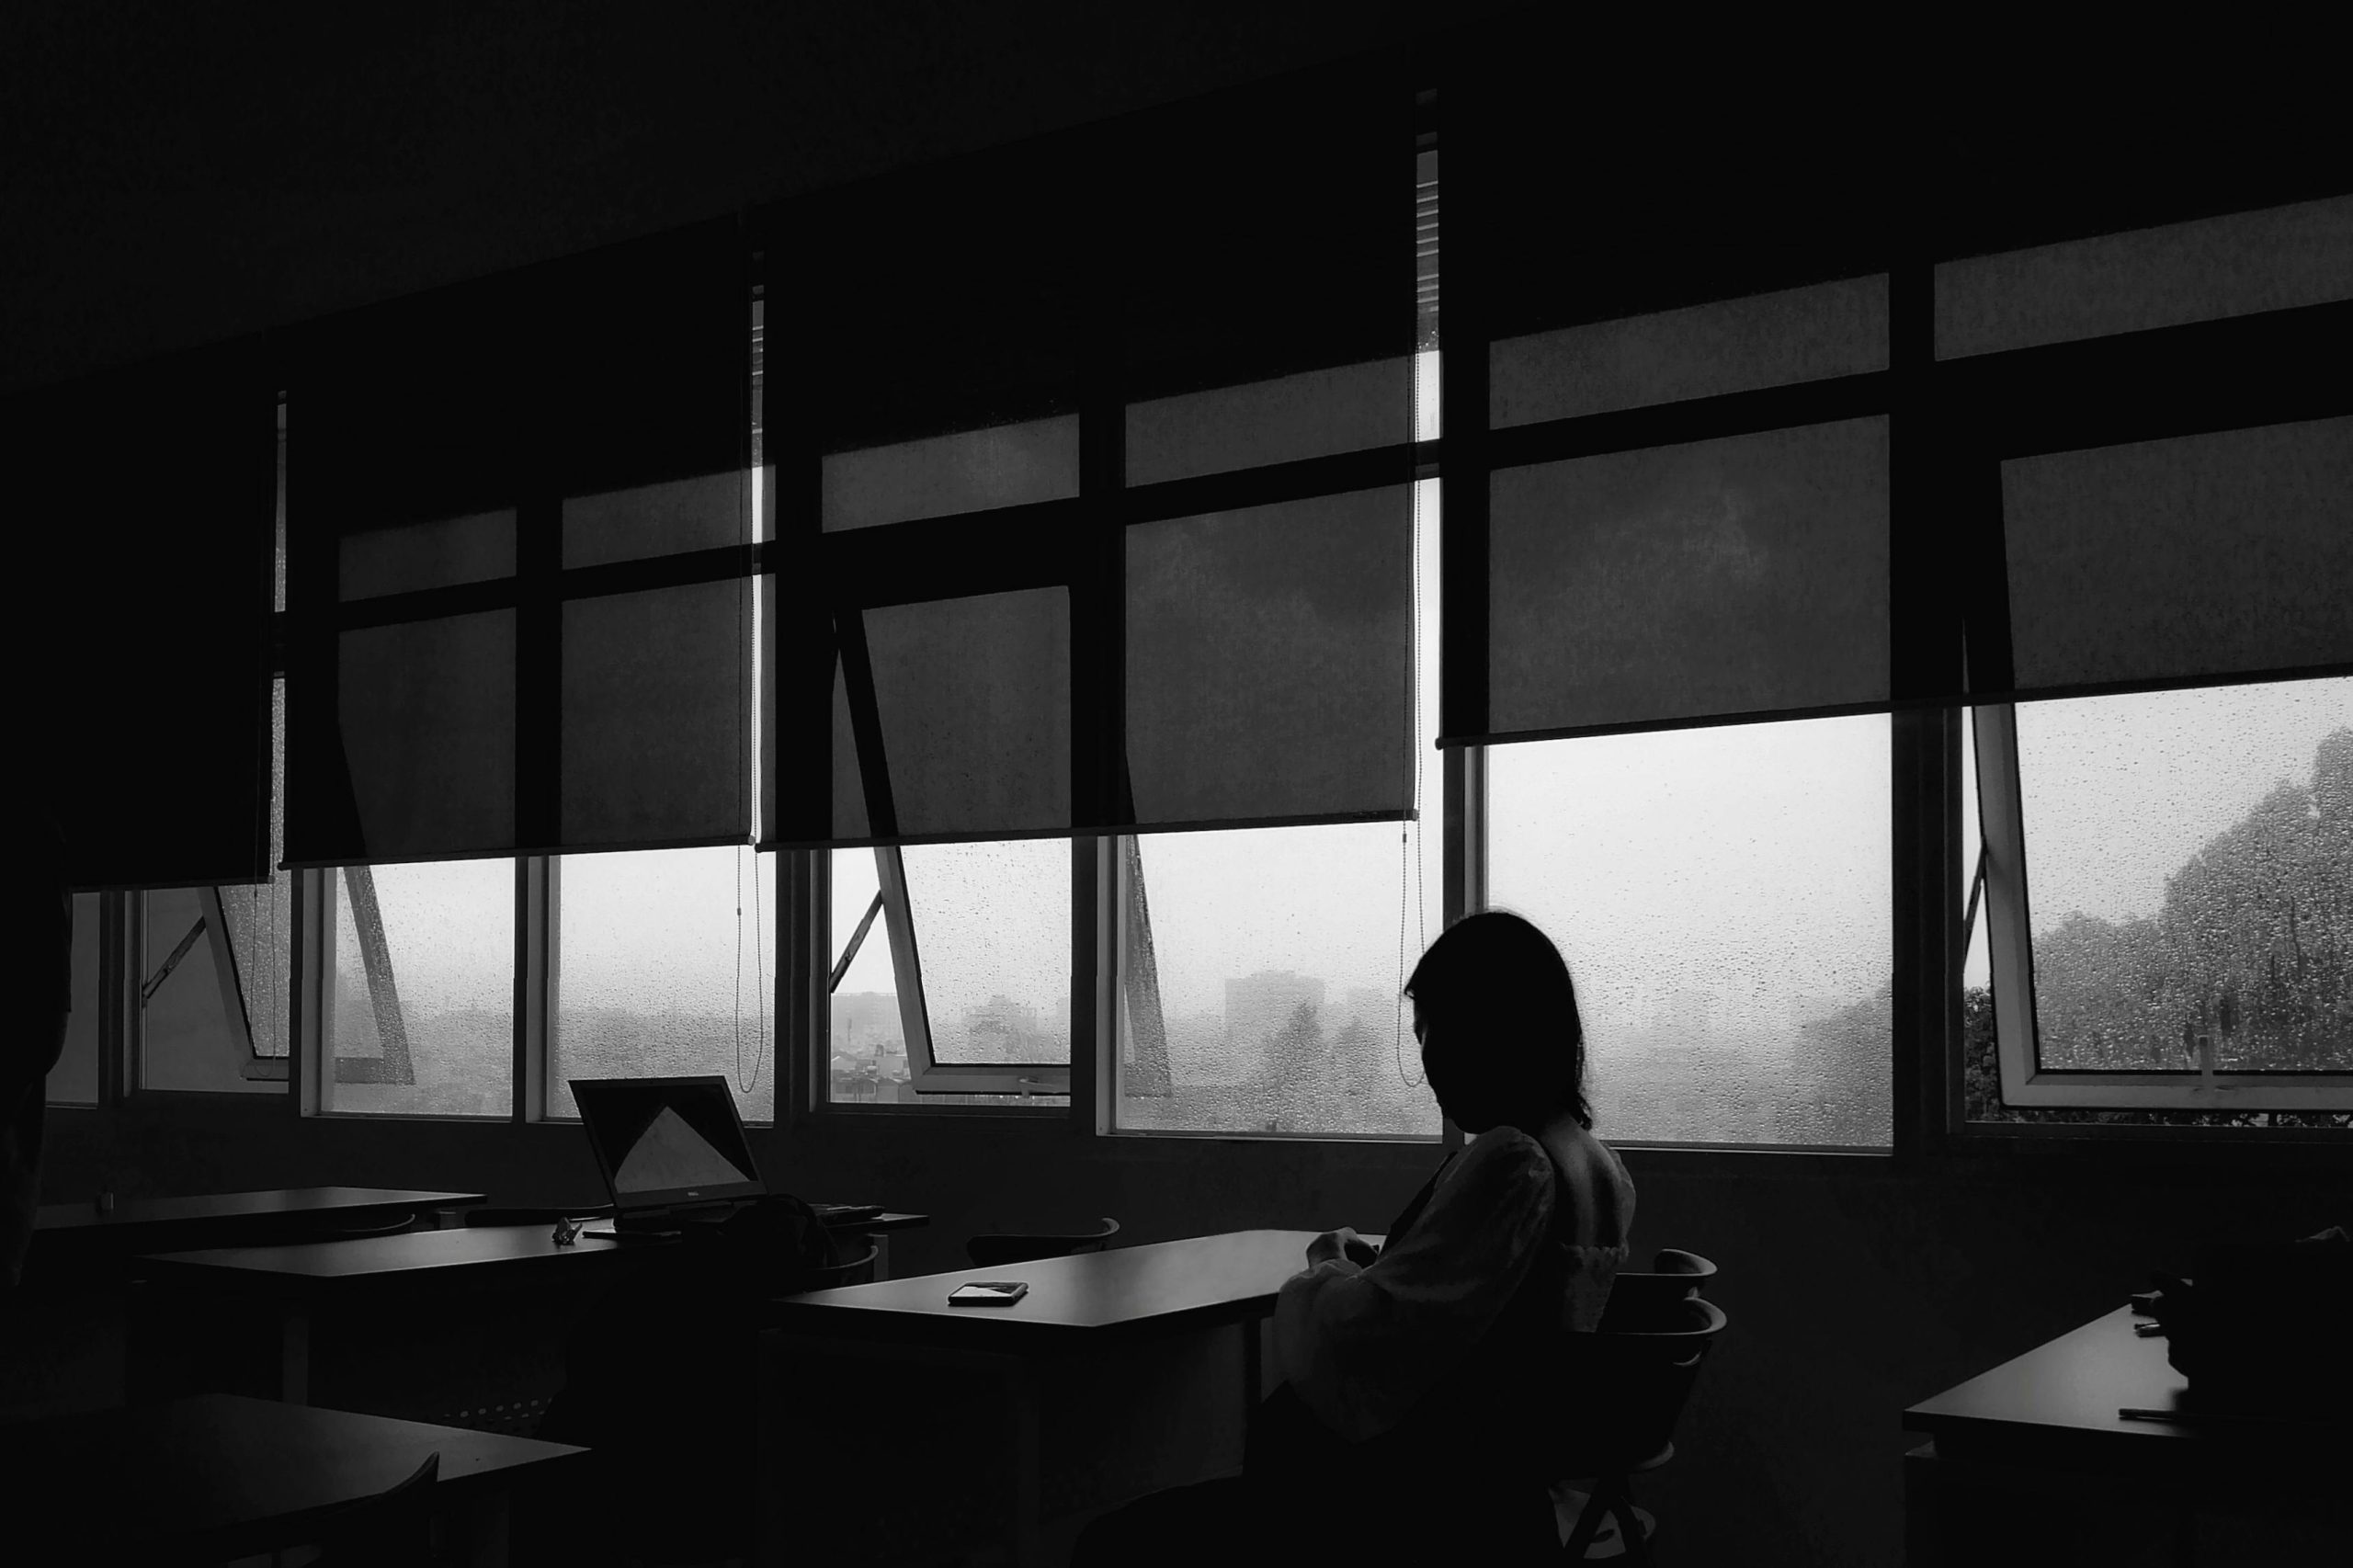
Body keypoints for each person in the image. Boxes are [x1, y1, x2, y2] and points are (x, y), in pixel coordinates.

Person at [1074, 910, 1635, 1564]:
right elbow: (1469, 1315)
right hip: (1492, 1496)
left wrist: (1327, 1270)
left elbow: (1368, 1332)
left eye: (1436, 1033)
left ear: (1495, 1030)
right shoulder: (1595, 1166)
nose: (1425, 1064)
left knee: (1111, 1543)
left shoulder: (1515, 1163)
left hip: (1406, 1507)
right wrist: (1391, 1269)